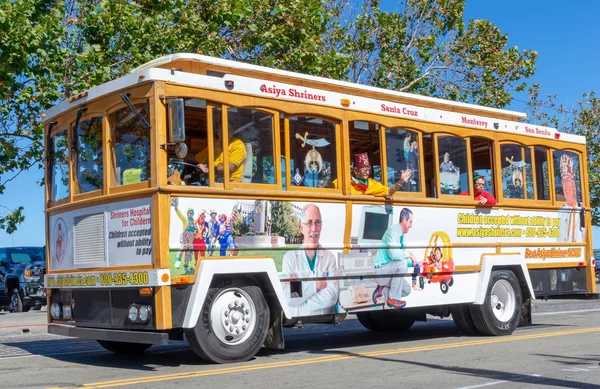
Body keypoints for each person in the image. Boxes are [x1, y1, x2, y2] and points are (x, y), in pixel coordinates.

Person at [281, 204, 340, 316]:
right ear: (301, 228)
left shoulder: (329, 258)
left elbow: (332, 296)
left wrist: (302, 301)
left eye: (318, 222)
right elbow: (289, 298)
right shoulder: (290, 258)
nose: (314, 228)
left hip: (323, 326)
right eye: (309, 223)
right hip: (298, 327)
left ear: (321, 226)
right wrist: (317, 285)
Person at [372, 208, 419, 309]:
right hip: (381, 272)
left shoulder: (401, 236)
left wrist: (414, 262)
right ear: (404, 221)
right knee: (401, 264)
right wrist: (409, 254)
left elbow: (400, 258)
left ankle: (382, 290)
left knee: (406, 290)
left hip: (389, 272)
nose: (411, 225)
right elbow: (394, 254)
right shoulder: (392, 232)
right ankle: (392, 298)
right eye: (410, 222)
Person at [332, 153, 412, 196]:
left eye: (368, 170)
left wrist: (400, 181)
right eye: (365, 170)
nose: (367, 172)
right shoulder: (343, 182)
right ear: (356, 171)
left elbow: (389, 192)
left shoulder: (371, 184)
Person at [558, 154, 584, 242]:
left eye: (568, 180)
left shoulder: (582, 209)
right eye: (563, 181)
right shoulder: (560, 212)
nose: (566, 185)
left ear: (574, 183)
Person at [174, 206, 196, 273]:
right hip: (185, 235)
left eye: (192, 213)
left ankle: (186, 267)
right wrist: (176, 209)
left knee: (188, 252)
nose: (191, 213)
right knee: (183, 246)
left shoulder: (194, 221)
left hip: (191, 238)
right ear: (187, 213)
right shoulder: (185, 219)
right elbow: (180, 215)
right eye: (190, 212)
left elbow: (196, 230)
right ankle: (178, 260)